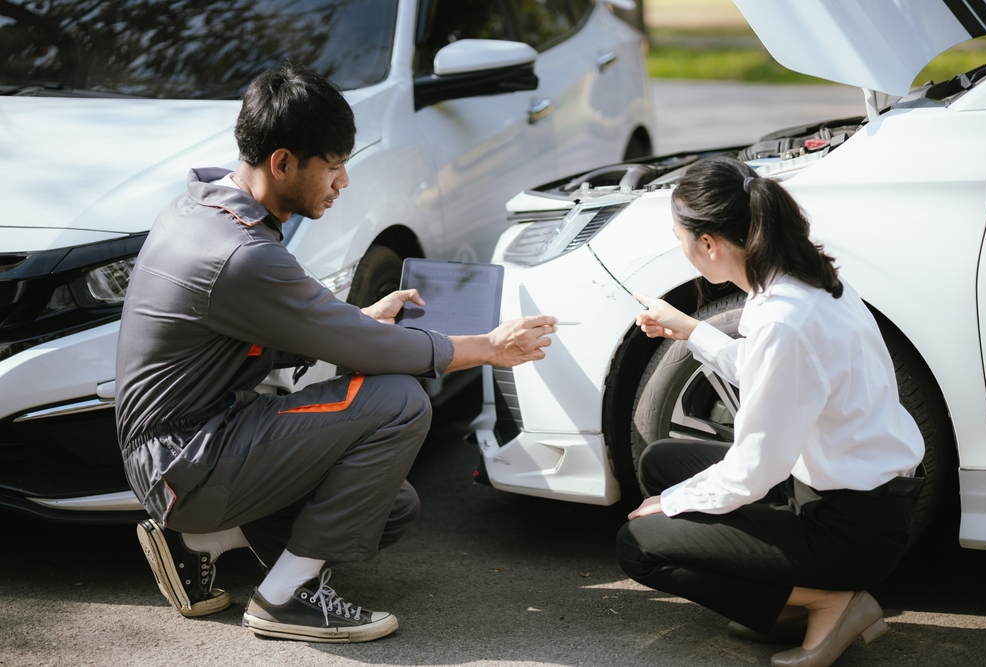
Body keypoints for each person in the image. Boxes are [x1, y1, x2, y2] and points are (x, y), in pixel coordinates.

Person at [115, 64, 556, 644]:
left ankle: (202, 540)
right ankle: (285, 598)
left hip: (193, 445)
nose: (342, 180)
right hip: (184, 460)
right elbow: (363, 349)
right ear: (282, 162)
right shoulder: (240, 253)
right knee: (399, 401)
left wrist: (360, 322)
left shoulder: (205, 208)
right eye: (333, 164)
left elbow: (272, 325)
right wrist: (490, 348)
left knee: (388, 506)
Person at [616, 156, 924, 667]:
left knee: (639, 545)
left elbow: (754, 469)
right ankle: (791, 600)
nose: (682, 249)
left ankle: (828, 600)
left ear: (709, 243)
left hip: (847, 527)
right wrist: (693, 331)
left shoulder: (782, 317)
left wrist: (672, 503)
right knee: (660, 463)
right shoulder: (804, 281)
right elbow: (781, 379)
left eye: (680, 237)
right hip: (849, 493)